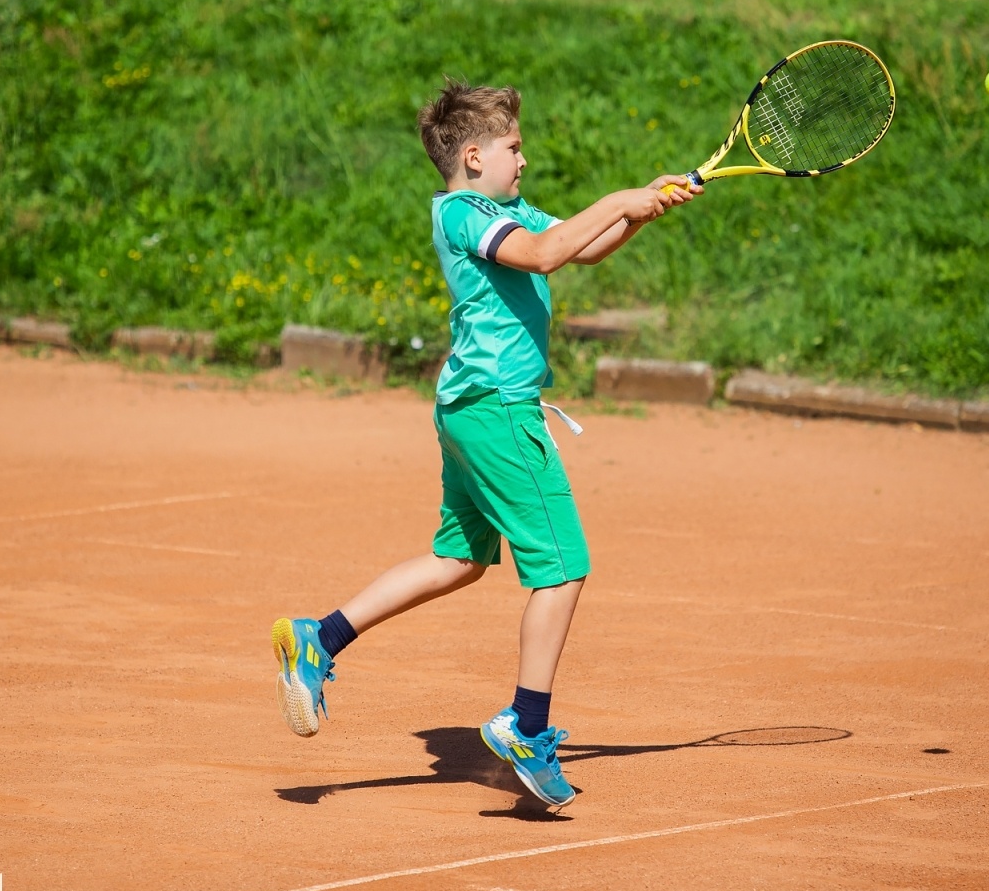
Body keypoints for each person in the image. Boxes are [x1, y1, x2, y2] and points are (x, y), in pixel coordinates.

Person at [273, 80, 699, 807]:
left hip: (468, 409)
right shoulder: (466, 213)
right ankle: (526, 724)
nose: (524, 159)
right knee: (562, 569)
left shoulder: (502, 207)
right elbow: (538, 256)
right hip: (499, 410)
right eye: (514, 148)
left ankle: (321, 637)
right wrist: (620, 196)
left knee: (459, 558)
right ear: (473, 156)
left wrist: (643, 210)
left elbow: (581, 249)